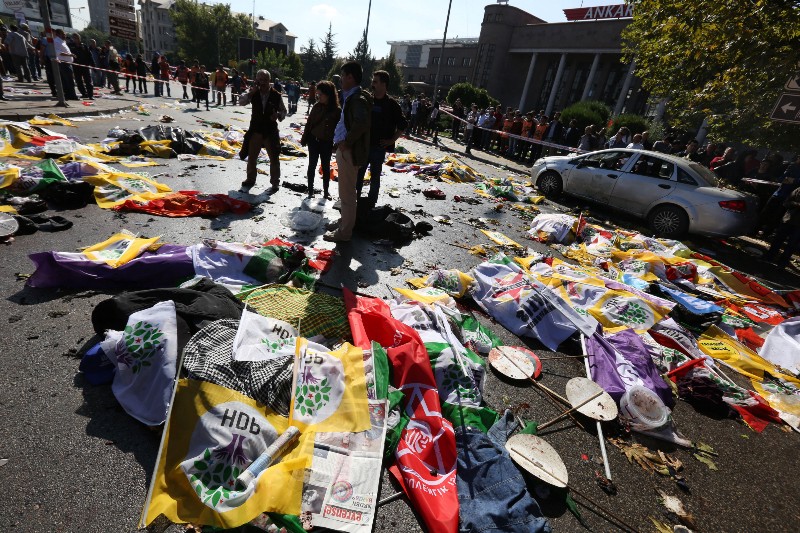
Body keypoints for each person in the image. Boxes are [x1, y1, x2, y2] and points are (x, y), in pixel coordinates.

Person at [324, 60, 372, 243]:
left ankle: (344, 233)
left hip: (350, 151)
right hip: (348, 150)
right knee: (346, 193)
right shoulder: (353, 96)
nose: (341, 79)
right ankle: (344, 223)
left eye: (343, 76)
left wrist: (347, 142)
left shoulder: (357, 98)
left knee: (347, 195)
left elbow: (361, 123)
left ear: (351, 77)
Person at [355, 69, 408, 207]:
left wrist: (391, 141)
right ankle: (354, 202)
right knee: (358, 175)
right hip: (363, 146)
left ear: (384, 85)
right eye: (372, 81)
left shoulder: (391, 105)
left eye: (375, 82)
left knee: (375, 177)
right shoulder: (367, 100)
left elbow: (403, 125)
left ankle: (371, 204)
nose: (372, 84)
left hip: (378, 148)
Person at [238, 69, 286, 192]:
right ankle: (250, 179)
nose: (263, 82)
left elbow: (283, 111)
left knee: (274, 157)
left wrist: (278, 115)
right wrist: (251, 93)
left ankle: (275, 182)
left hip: (270, 131)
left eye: (265, 80)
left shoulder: (276, 95)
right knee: (252, 157)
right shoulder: (253, 92)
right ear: (256, 80)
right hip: (256, 130)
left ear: (269, 80)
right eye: (260, 80)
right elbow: (241, 101)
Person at [300, 80, 340, 199]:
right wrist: (304, 138)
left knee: (326, 167)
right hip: (313, 140)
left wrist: (336, 145)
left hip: (327, 142)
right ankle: (310, 190)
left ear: (328, 94)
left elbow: (339, 130)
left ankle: (326, 192)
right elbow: (309, 123)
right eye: (317, 94)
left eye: (320, 94)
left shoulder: (337, 110)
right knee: (312, 165)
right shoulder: (316, 106)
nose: (318, 96)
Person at [763, 186, 800, 268]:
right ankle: (769, 257)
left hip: (797, 225)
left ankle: (782, 263)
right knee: (778, 240)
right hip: (788, 220)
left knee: (792, 245)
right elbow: (787, 202)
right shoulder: (798, 190)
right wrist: (796, 204)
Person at [53, 29, 78, 100]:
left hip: (67, 63)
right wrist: (70, 55)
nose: (65, 35)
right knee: (68, 80)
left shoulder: (62, 42)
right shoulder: (56, 41)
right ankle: (71, 95)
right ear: (58, 34)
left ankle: (69, 95)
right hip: (64, 63)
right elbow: (58, 52)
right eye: (63, 34)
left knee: (68, 80)